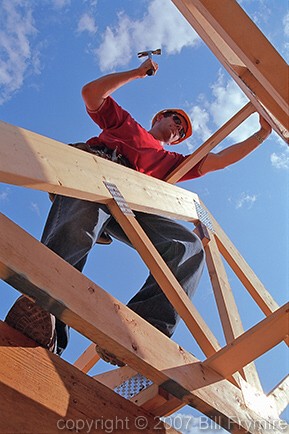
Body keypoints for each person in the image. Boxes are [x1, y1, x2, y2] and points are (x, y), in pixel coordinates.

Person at [5, 58, 272, 365]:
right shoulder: (126, 125)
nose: (177, 129)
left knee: (188, 247)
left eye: (182, 130)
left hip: (134, 201)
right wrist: (136, 73)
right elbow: (92, 93)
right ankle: (44, 314)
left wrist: (261, 134)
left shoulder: (172, 161)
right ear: (160, 116)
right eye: (175, 121)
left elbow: (220, 159)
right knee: (78, 225)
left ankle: (139, 331)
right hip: (99, 169)